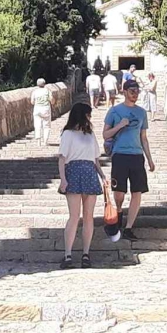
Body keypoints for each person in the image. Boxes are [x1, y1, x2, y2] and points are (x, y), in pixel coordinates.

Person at [102, 78, 155, 242]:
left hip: (137, 155)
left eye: (137, 91)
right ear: (124, 92)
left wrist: (150, 159)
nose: (135, 94)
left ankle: (128, 227)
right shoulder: (114, 111)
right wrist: (119, 126)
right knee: (119, 193)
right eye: (132, 91)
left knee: (137, 191)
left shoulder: (141, 112)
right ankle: (118, 210)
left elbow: (143, 137)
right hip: (120, 155)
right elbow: (105, 134)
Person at [57, 102, 105, 268]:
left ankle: (86, 254)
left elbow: (96, 158)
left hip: (89, 172)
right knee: (74, 216)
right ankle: (68, 254)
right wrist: (63, 179)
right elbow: (62, 158)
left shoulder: (90, 135)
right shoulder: (68, 134)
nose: (90, 118)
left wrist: (103, 176)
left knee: (88, 216)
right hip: (74, 172)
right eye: (88, 114)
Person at [31, 78, 53, 146]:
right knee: (46, 125)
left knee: (37, 125)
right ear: (44, 84)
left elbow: (32, 102)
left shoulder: (34, 92)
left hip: (37, 109)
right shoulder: (47, 91)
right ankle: (45, 141)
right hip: (46, 109)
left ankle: (38, 141)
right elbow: (51, 100)